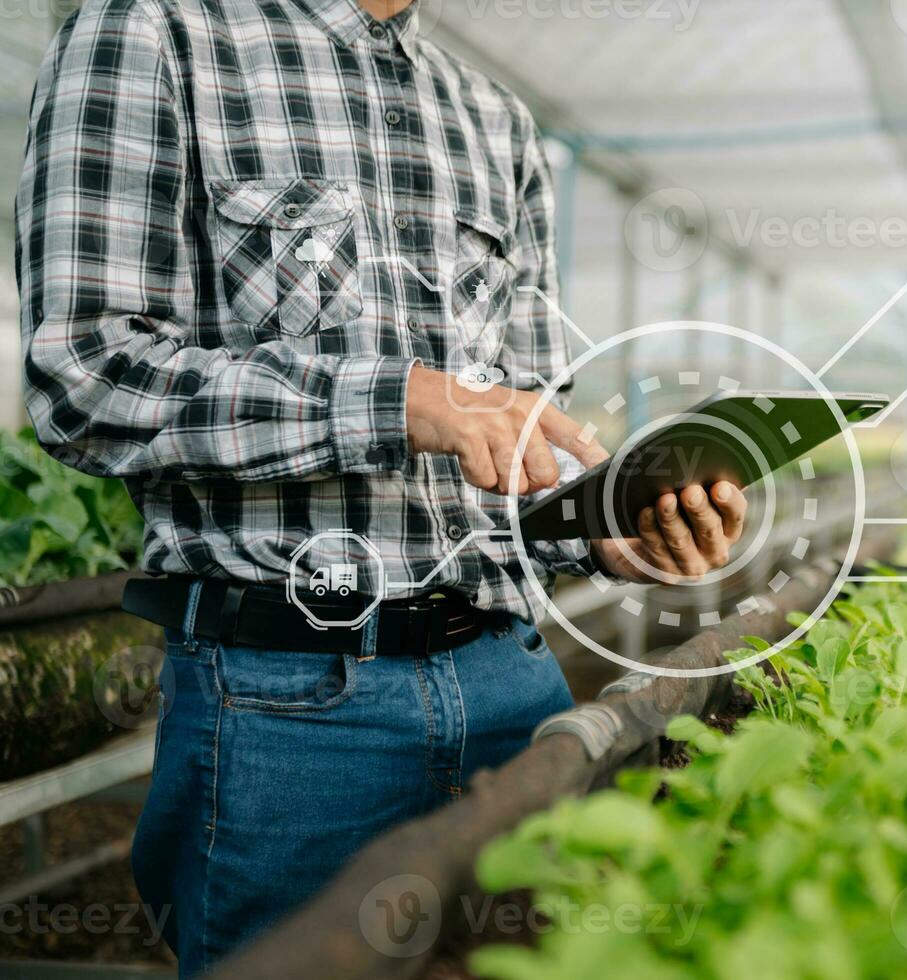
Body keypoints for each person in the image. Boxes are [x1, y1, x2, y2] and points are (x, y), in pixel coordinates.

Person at [15, 0, 745, 973]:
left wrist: (602, 530)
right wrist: (394, 401)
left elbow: (517, 433)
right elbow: (86, 374)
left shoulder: (493, 115)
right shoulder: (157, 33)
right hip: (289, 701)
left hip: (509, 680)